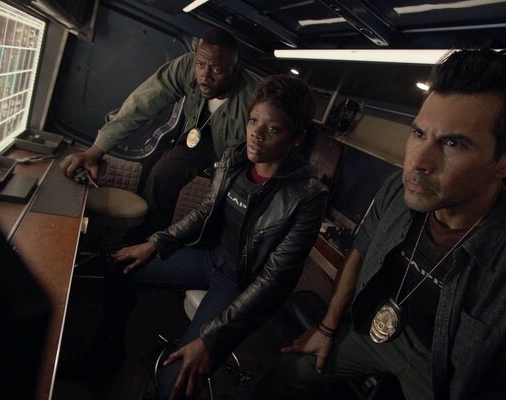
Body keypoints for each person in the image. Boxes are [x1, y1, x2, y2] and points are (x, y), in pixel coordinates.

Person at [255, 49, 506, 399]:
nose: (418, 163)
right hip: (372, 330)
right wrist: (327, 327)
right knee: (288, 370)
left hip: (444, 379)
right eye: (419, 133)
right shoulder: (398, 190)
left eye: (453, 144)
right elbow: (361, 250)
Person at [71, 74, 328, 399]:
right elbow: (205, 213)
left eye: (273, 129)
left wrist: (210, 338)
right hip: (211, 258)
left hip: (242, 284)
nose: (255, 134)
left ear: (297, 138)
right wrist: (153, 243)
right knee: (120, 266)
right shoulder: (235, 158)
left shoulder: (308, 196)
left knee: (174, 383)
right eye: (253, 121)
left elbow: (274, 281)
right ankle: (106, 356)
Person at [59, 27, 261, 231]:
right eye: (200, 64)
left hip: (240, 156)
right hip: (202, 137)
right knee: (163, 174)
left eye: (216, 70)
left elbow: (266, 153)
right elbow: (142, 104)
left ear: (235, 70)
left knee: (221, 208)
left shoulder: (255, 97)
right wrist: (95, 152)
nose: (205, 76)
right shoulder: (186, 66)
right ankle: (146, 240)